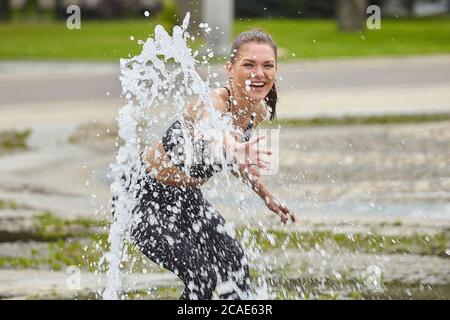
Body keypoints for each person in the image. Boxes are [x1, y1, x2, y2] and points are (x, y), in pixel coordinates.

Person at [129, 29, 296, 300]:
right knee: (201, 276)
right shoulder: (214, 100)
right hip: (142, 199)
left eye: (268, 65)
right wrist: (234, 146)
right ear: (230, 68)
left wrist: (267, 197)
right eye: (249, 64)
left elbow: (233, 161)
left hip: (186, 199)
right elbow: (212, 134)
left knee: (236, 265)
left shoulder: (258, 112)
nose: (259, 73)